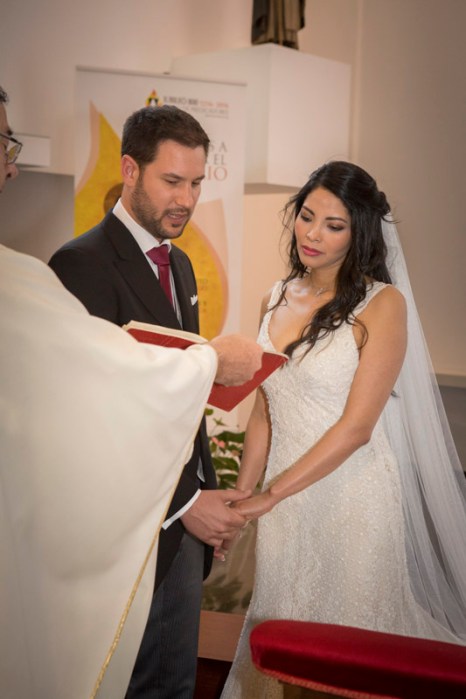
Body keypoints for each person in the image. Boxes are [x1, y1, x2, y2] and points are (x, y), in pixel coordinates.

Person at [0, 86, 264, 699]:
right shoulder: (81, 264)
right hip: (133, 526)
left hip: (183, 517)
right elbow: (90, 414)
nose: (187, 200)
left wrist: (204, 488)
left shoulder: (182, 264)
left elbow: (173, 396)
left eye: (196, 183)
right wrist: (185, 502)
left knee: (172, 684)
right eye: (172, 181)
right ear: (128, 170)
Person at [220, 161, 466, 698]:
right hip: (284, 511)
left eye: (334, 225)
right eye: (307, 216)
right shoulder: (275, 296)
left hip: (352, 501)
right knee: (283, 640)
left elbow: (357, 428)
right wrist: (242, 494)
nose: (312, 234)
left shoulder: (383, 305)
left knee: (347, 657)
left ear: (359, 234)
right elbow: (265, 409)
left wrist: (270, 494)